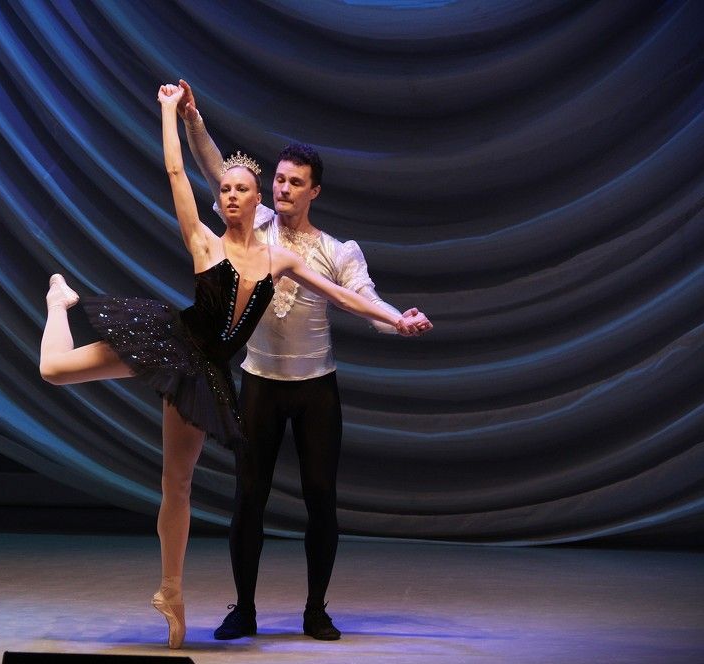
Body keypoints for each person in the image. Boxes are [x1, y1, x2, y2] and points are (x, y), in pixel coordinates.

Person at [38, 84, 422, 649]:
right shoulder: (206, 240)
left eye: (252, 188)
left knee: (182, 482)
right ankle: (59, 302)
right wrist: (174, 114)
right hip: (182, 348)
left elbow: (349, 297)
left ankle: (176, 592)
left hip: (223, 375)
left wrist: (397, 318)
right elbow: (181, 170)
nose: (240, 195)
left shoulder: (294, 254)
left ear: (299, 193)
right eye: (230, 189)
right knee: (54, 370)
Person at [176, 80, 432, 641]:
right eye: (280, 180)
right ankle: (244, 609)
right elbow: (216, 168)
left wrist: (399, 320)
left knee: (321, 498)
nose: (283, 188)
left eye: (295, 182)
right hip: (260, 383)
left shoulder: (338, 252)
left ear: (314, 191)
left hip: (316, 388)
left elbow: (362, 300)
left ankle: (316, 610)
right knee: (249, 496)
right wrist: (193, 119)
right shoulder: (255, 224)